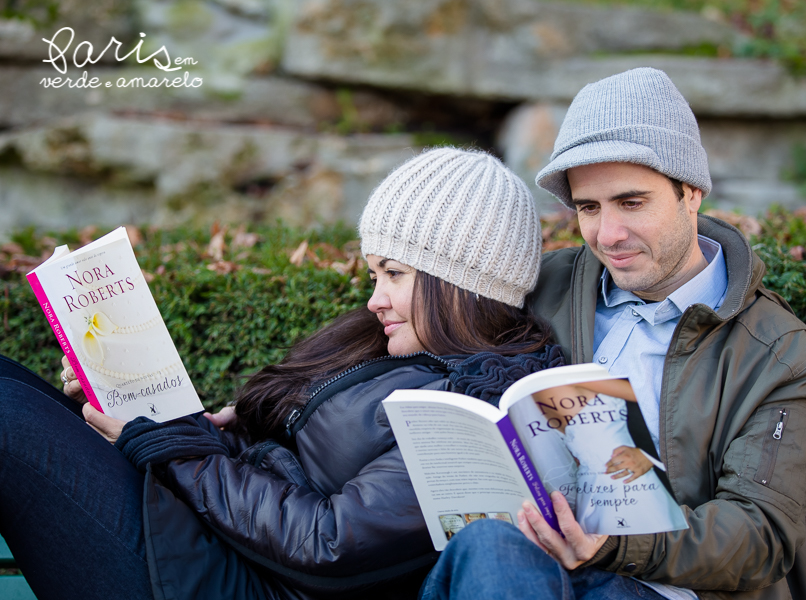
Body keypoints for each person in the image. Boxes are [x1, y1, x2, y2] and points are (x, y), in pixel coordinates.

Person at [0, 148, 566, 600]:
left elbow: (331, 543)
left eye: (393, 273)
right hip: (206, 533)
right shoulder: (388, 346)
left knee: (10, 419)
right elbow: (280, 452)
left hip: (233, 580)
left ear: (460, 284)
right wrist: (175, 421)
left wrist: (179, 448)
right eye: (373, 274)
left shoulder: (472, 408)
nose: (375, 299)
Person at [419, 68, 806, 600]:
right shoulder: (544, 289)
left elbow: (760, 534)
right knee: (490, 547)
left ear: (691, 193)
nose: (608, 235)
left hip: (660, 590)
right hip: (527, 569)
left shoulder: (781, 356)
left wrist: (612, 546)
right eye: (589, 208)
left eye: (631, 203)